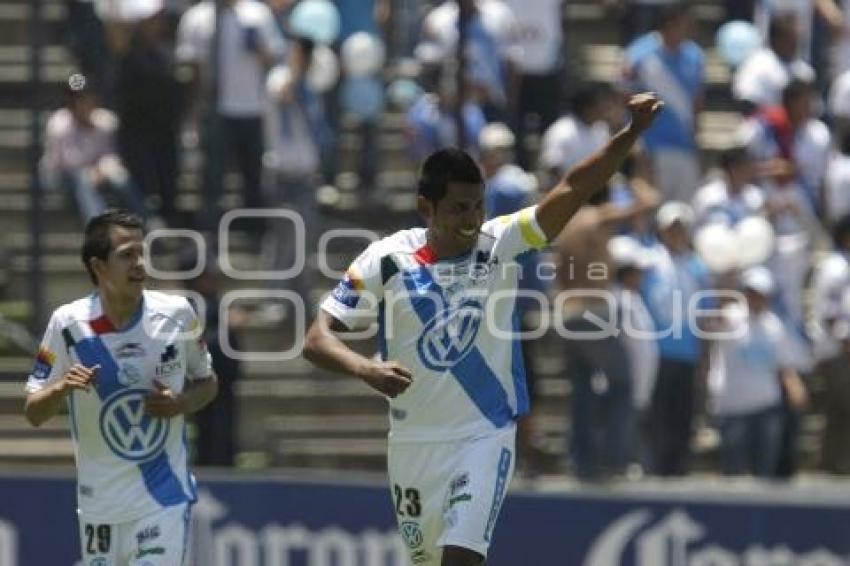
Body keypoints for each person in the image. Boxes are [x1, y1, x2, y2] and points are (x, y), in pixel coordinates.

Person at [303, 93, 662, 565]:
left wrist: (629, 135)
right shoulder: (386, 260)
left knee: (461, 558)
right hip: (413, 444)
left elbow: (574, 188)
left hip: (483, 434)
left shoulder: (502, 244)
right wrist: (365, 369)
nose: (471, 220)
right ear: (425, 208)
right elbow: (316, 339)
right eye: (457, 209)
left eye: (477, 206)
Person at [23, 210, 218, 564]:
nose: (140, 264)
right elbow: (34, 412)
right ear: (98, 267)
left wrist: (181, 403)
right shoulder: (68, 325)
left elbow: (207, 383)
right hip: (100, 505)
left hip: (163, 497)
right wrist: (63, 388)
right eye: (127, 255)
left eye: (142, 253)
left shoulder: (178, 313)